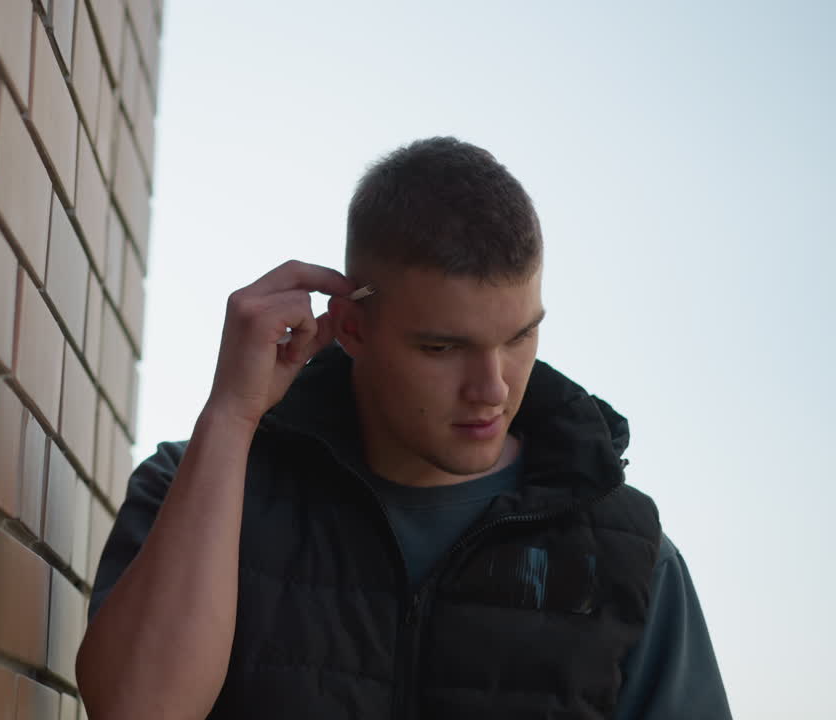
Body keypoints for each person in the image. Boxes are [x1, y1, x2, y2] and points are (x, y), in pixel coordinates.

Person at [75, 137, 731, 719]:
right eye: (442, 348)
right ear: (353, 329)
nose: (493, 389)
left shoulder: (628, 555)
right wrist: (232, 415)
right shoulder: (197, 491)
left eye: (520, 336)